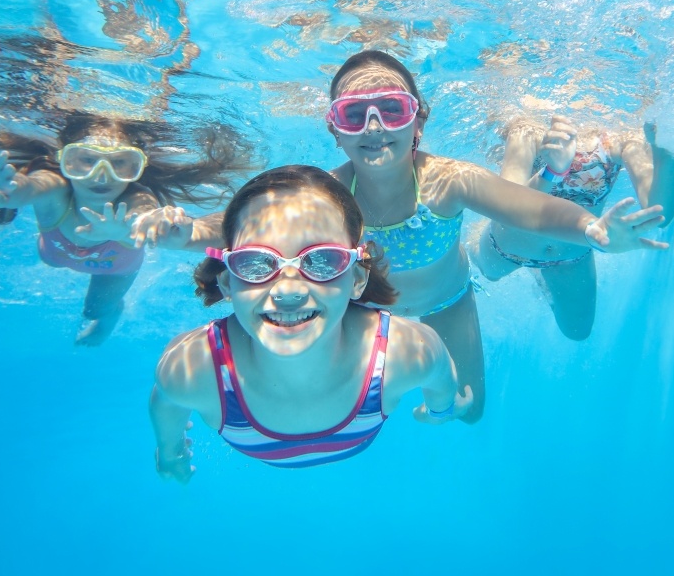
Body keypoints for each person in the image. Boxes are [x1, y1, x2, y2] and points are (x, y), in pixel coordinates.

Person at [136, 51, 669, 421]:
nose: (373, 126)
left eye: (390, 109)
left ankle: (524, 263)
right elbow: (251, 229)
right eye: (354, 115)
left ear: (418, 121)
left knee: (469, 409)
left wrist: (592, 229)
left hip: (447, 302)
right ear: (335, 130)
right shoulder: (329, 195)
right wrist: (184, 232)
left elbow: (529, 209)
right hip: (362, 315)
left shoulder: (447, 182)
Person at [149, 165, 471, 480]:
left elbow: (441, 373)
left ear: (357, 278)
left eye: (322, 260)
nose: (288, 291)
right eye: (256, 263)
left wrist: (441, 408)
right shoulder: (191, 368)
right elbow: (165, 405)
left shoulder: (407, 353)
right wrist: (170, 452)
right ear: (228, 283)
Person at [0, 112, 251, 345]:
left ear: (138, 168)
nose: (101, 176)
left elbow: (143, 217)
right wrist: (6, 190)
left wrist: (138, 228)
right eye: (85, 161)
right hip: (56, 254)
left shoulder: (137, 197)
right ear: (64, 161)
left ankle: (109, 318)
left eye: (121, 163)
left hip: (114, 269)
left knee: (95, 309)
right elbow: (28, 188)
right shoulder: (55, 188)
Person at [469, 114, 674, 340]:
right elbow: (505, 208)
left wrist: (666, 157)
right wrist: (552, 171)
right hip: (507, 248)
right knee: (487, 273)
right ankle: (475, 234)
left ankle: (541, 275)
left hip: (572, 255)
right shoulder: (528, 129)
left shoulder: (621, 139)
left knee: (577, 331)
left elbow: (659, 214)